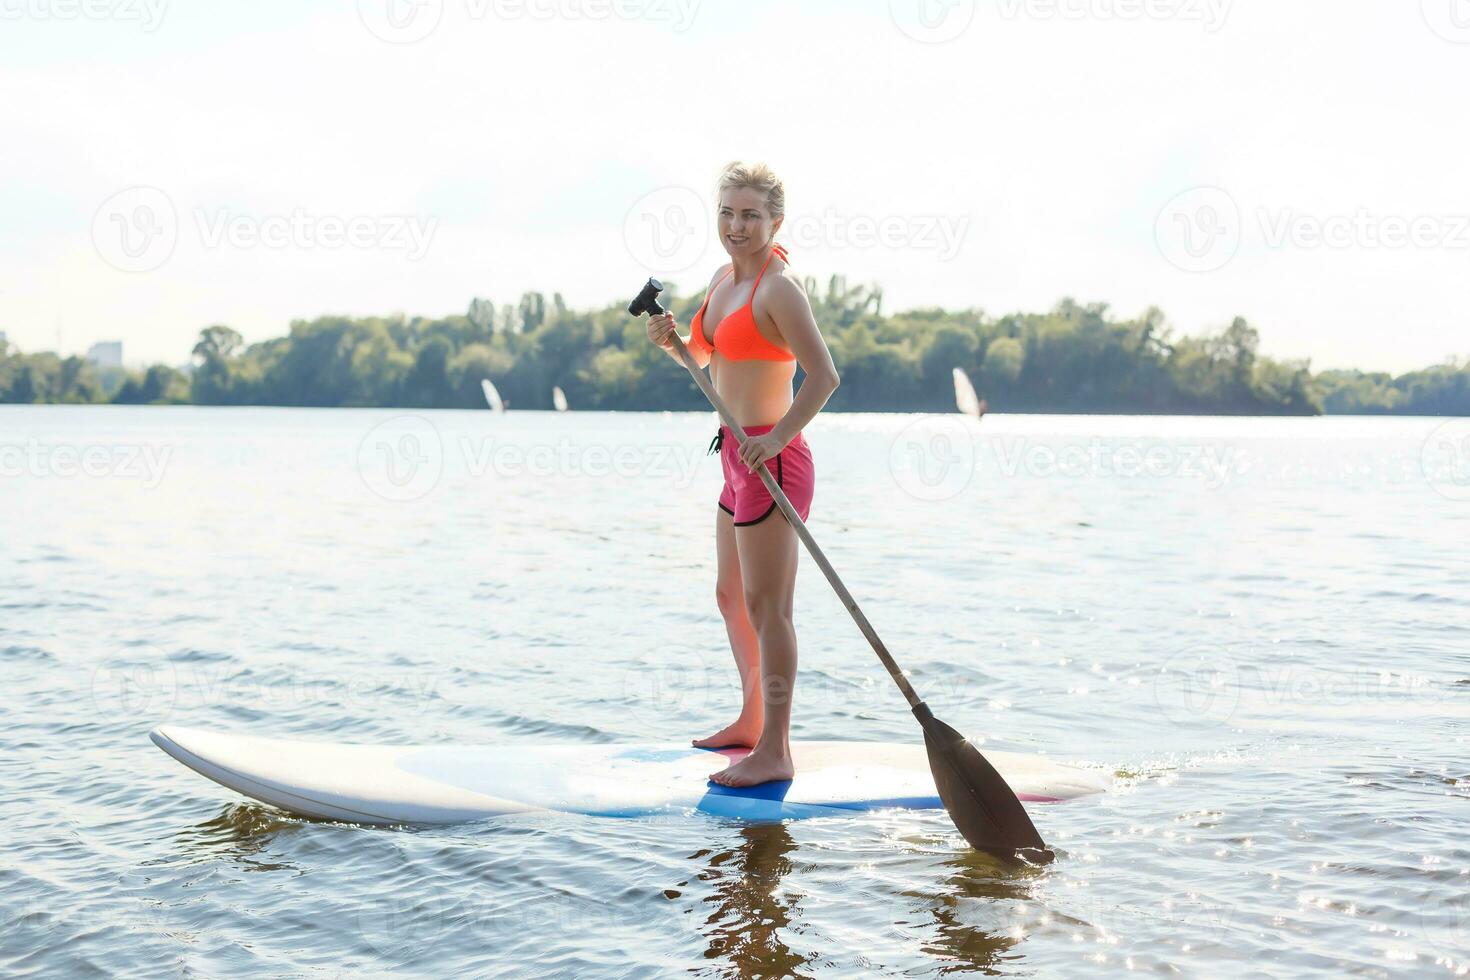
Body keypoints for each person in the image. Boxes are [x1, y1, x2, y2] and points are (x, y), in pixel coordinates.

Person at [644, 161, 840, 787]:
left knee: (768, 607)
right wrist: (675, 343)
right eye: (727, 212)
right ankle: (752, 722)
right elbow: (706, 357)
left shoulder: (779, 290)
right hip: (733, 456)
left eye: (750, 214)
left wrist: (778, 435)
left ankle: (776, 750)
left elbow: (824, 377)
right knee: (731, 597)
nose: (736, 225)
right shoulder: (722, 282)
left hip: (774, 458)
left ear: (775, 220)